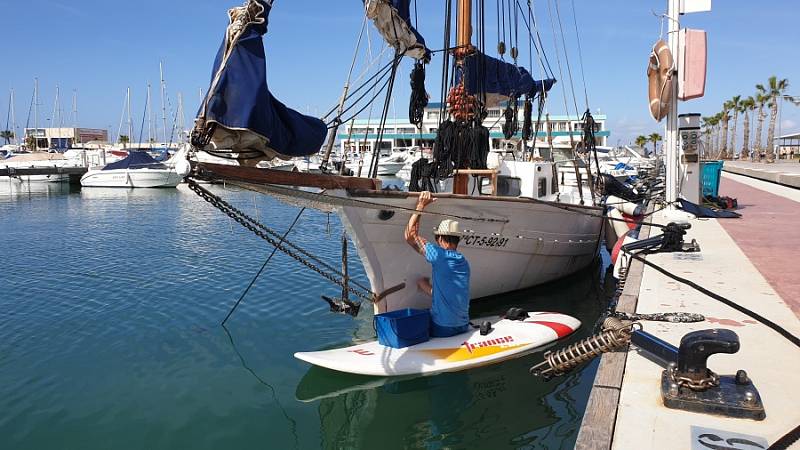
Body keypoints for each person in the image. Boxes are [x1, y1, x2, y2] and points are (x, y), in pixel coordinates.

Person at [404, 191, 471, 337]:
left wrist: (420, 206)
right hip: (463, 325)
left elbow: (410, 236)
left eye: (436, 238)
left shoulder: (439, 255)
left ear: (440, 238)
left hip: (442, 327)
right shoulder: (463, 262)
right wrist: (424, 286)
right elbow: (449, 293)